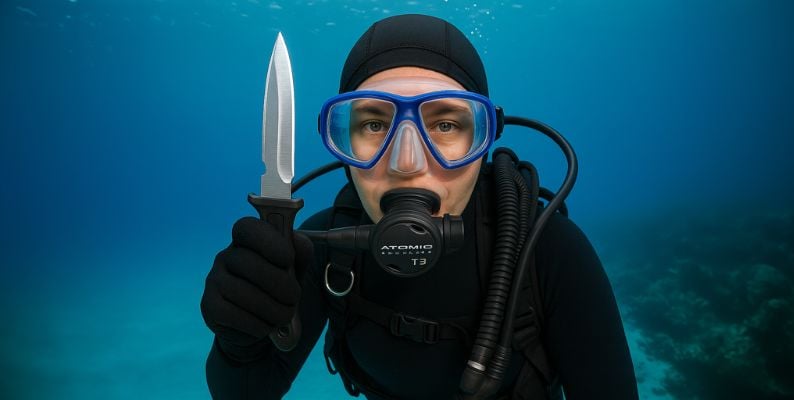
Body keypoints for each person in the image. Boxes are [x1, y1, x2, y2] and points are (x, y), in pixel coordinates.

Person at [200, 14, 638, 400]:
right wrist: (241, 342)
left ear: (483, 142)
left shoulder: (546, 251)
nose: (407, 162)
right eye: (373, 123)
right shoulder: (318, 248)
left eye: (445, 124)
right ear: (344, 143)